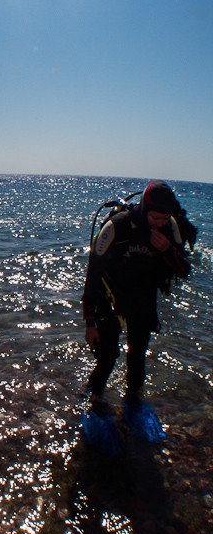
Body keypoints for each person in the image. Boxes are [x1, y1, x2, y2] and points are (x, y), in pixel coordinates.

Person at [81, 180, 191, 450]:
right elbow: (92, 277)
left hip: (142, 299)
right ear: (144, 209)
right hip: (110, 297)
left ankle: (133, 401)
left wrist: (167, 249)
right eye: (155, 217)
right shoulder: (116, 227)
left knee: (137, 354)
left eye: (165, 218)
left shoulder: (170, 227)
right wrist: (90, 322)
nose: (160, 223)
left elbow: (183, 270)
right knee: (107, 356)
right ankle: (93, 401)